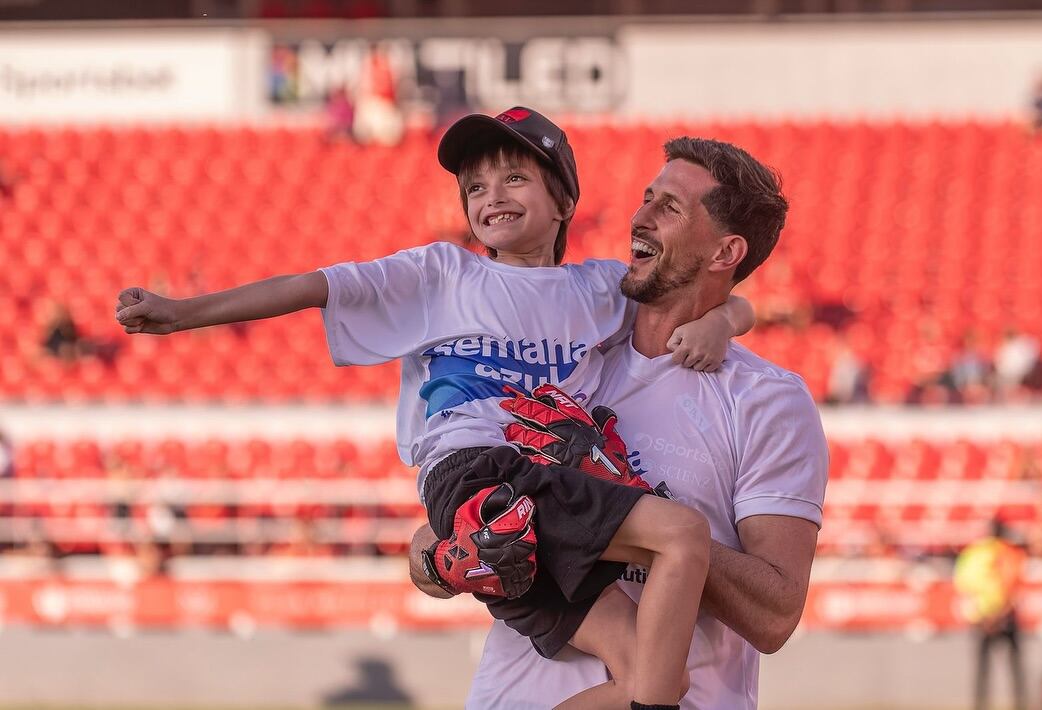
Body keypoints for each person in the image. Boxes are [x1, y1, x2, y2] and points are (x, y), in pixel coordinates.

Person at [115, 107, 753, 710]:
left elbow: (709, 294)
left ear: (564, 200)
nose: (491, 195)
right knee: (684, 535)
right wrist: (184, 314)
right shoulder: (441, 274)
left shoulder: (596, 288)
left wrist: (723, 321)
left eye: (513, 177)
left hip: (544, 489)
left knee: (653, 675)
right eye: (474, 187)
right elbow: (312, 286)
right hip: (477, 477)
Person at [410, 136, 829, 709]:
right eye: (647, 197)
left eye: (670, 207)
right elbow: (442, 532)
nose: (641, 216)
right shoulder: (565, 352)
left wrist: (624, 516)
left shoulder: (767, 400)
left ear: (725, 252)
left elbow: (776, 613)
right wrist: (439, 560)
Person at [954, 517, 1028, 710]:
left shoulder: (972, 553)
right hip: (1004, 616)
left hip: (982, 617)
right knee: (1014, 666)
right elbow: (1015, 585)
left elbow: (963, 585)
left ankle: (980, 704)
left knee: (982, 668)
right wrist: (1000, 614)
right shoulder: (1010, 552)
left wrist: (983, 616)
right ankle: (1019, 704)